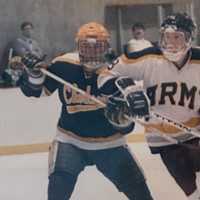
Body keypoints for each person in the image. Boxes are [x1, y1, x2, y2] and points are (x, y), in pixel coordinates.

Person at [17, 22, 153, 200]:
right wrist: (34, 74)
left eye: (97, 47)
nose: (91, 52)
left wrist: (119, 118)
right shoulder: (64, 65)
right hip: (70, 140)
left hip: (109, 144)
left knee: (140, 193)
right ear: (78, 47)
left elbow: (126, 128)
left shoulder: (118, 74)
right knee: (57, 190)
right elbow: (36, 92)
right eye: (86, 47)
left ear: (107, 47)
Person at [98, 13, 200, 200]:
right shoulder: (148, 58)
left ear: (189, 38)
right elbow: (104, 77)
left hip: (195, 133)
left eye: (177, 37)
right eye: (167, 37)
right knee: (192, 193)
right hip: (164, 139)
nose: (171, 42)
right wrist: (127, 88)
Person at [1, 21, 44, 86]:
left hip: (34, 67)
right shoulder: (18, 41)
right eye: (26, 29)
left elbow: (40, 54)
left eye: (30, 29)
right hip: (21, 67)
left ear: (33, 30)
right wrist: (33, 52)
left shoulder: (35, 42)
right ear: (22, 31)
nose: (28, 31)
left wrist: (32, 52)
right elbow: (23, 54)